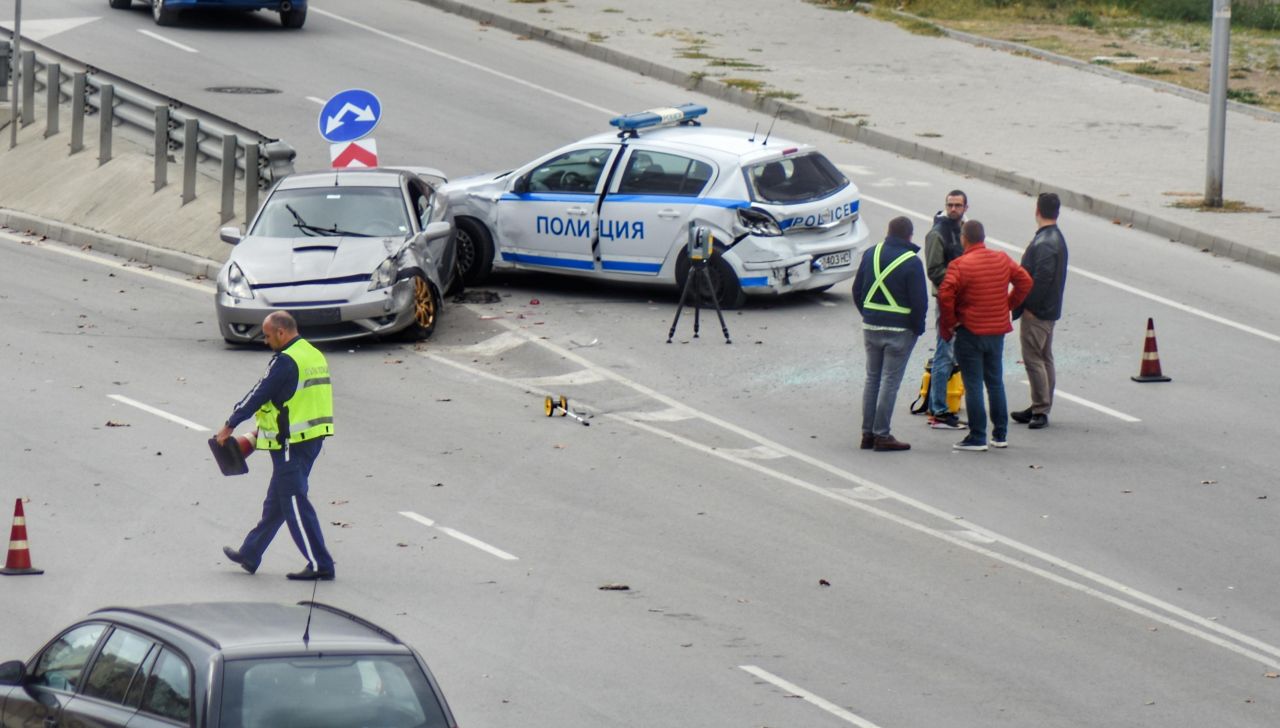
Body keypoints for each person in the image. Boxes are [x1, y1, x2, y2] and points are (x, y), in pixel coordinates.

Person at [218, 311, 337, 580]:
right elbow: (295, 397)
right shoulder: (312, 353)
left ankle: (320, 564)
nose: (265, 341)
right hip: (312, 437)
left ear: (281, 333)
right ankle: (251, 552)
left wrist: (230, 424)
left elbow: (259, 394)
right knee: (277, 502)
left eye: (268, 336)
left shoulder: (285, 361)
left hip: (290, 444)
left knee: (294, 502)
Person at [938, 220, 1032, 452]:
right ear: (983, 237)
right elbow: (1025, 281)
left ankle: (977, 436)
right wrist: (1007, 306)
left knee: (973, 385)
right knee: (995, 382)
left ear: (964, 238)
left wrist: (949, 324)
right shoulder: (1001, 258)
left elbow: (945, 294)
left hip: (969, 331)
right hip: (996, 332)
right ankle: (1000, 434)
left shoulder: (959, 265)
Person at [853, 216, 928, 452]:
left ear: (888, 232)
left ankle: (867, 434)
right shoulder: (911, 261)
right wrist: (918, 328)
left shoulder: (871, 254)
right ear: (909, 236)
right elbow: (919, 302)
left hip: (871, 326)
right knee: (889, 382)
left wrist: (867, 314)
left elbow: (857, 290)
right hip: (899, 329)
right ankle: (882, 435)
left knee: (872, 378)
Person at [1011, 192, 1069, 430]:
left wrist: (1031, 306)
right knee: (1044, 357)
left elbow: (1041, 278)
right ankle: (1039, 404)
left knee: (1034, 359)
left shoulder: (1045, 242)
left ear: (1037, 210)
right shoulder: (1056, 238)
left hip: (1039, 311)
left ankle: (1040, 409)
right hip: (1050, 308)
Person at [923, 190, 969, 430]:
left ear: (965, 208)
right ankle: (939, 409)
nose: (953, 209)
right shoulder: (937, 234)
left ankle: (947, 402)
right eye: (950, 205)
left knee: (958, 352)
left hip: (964, 300)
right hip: (946, 300)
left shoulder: (965, 230)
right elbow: (934, 271)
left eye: (957, 205)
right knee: (945, 352)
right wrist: (959, 281)